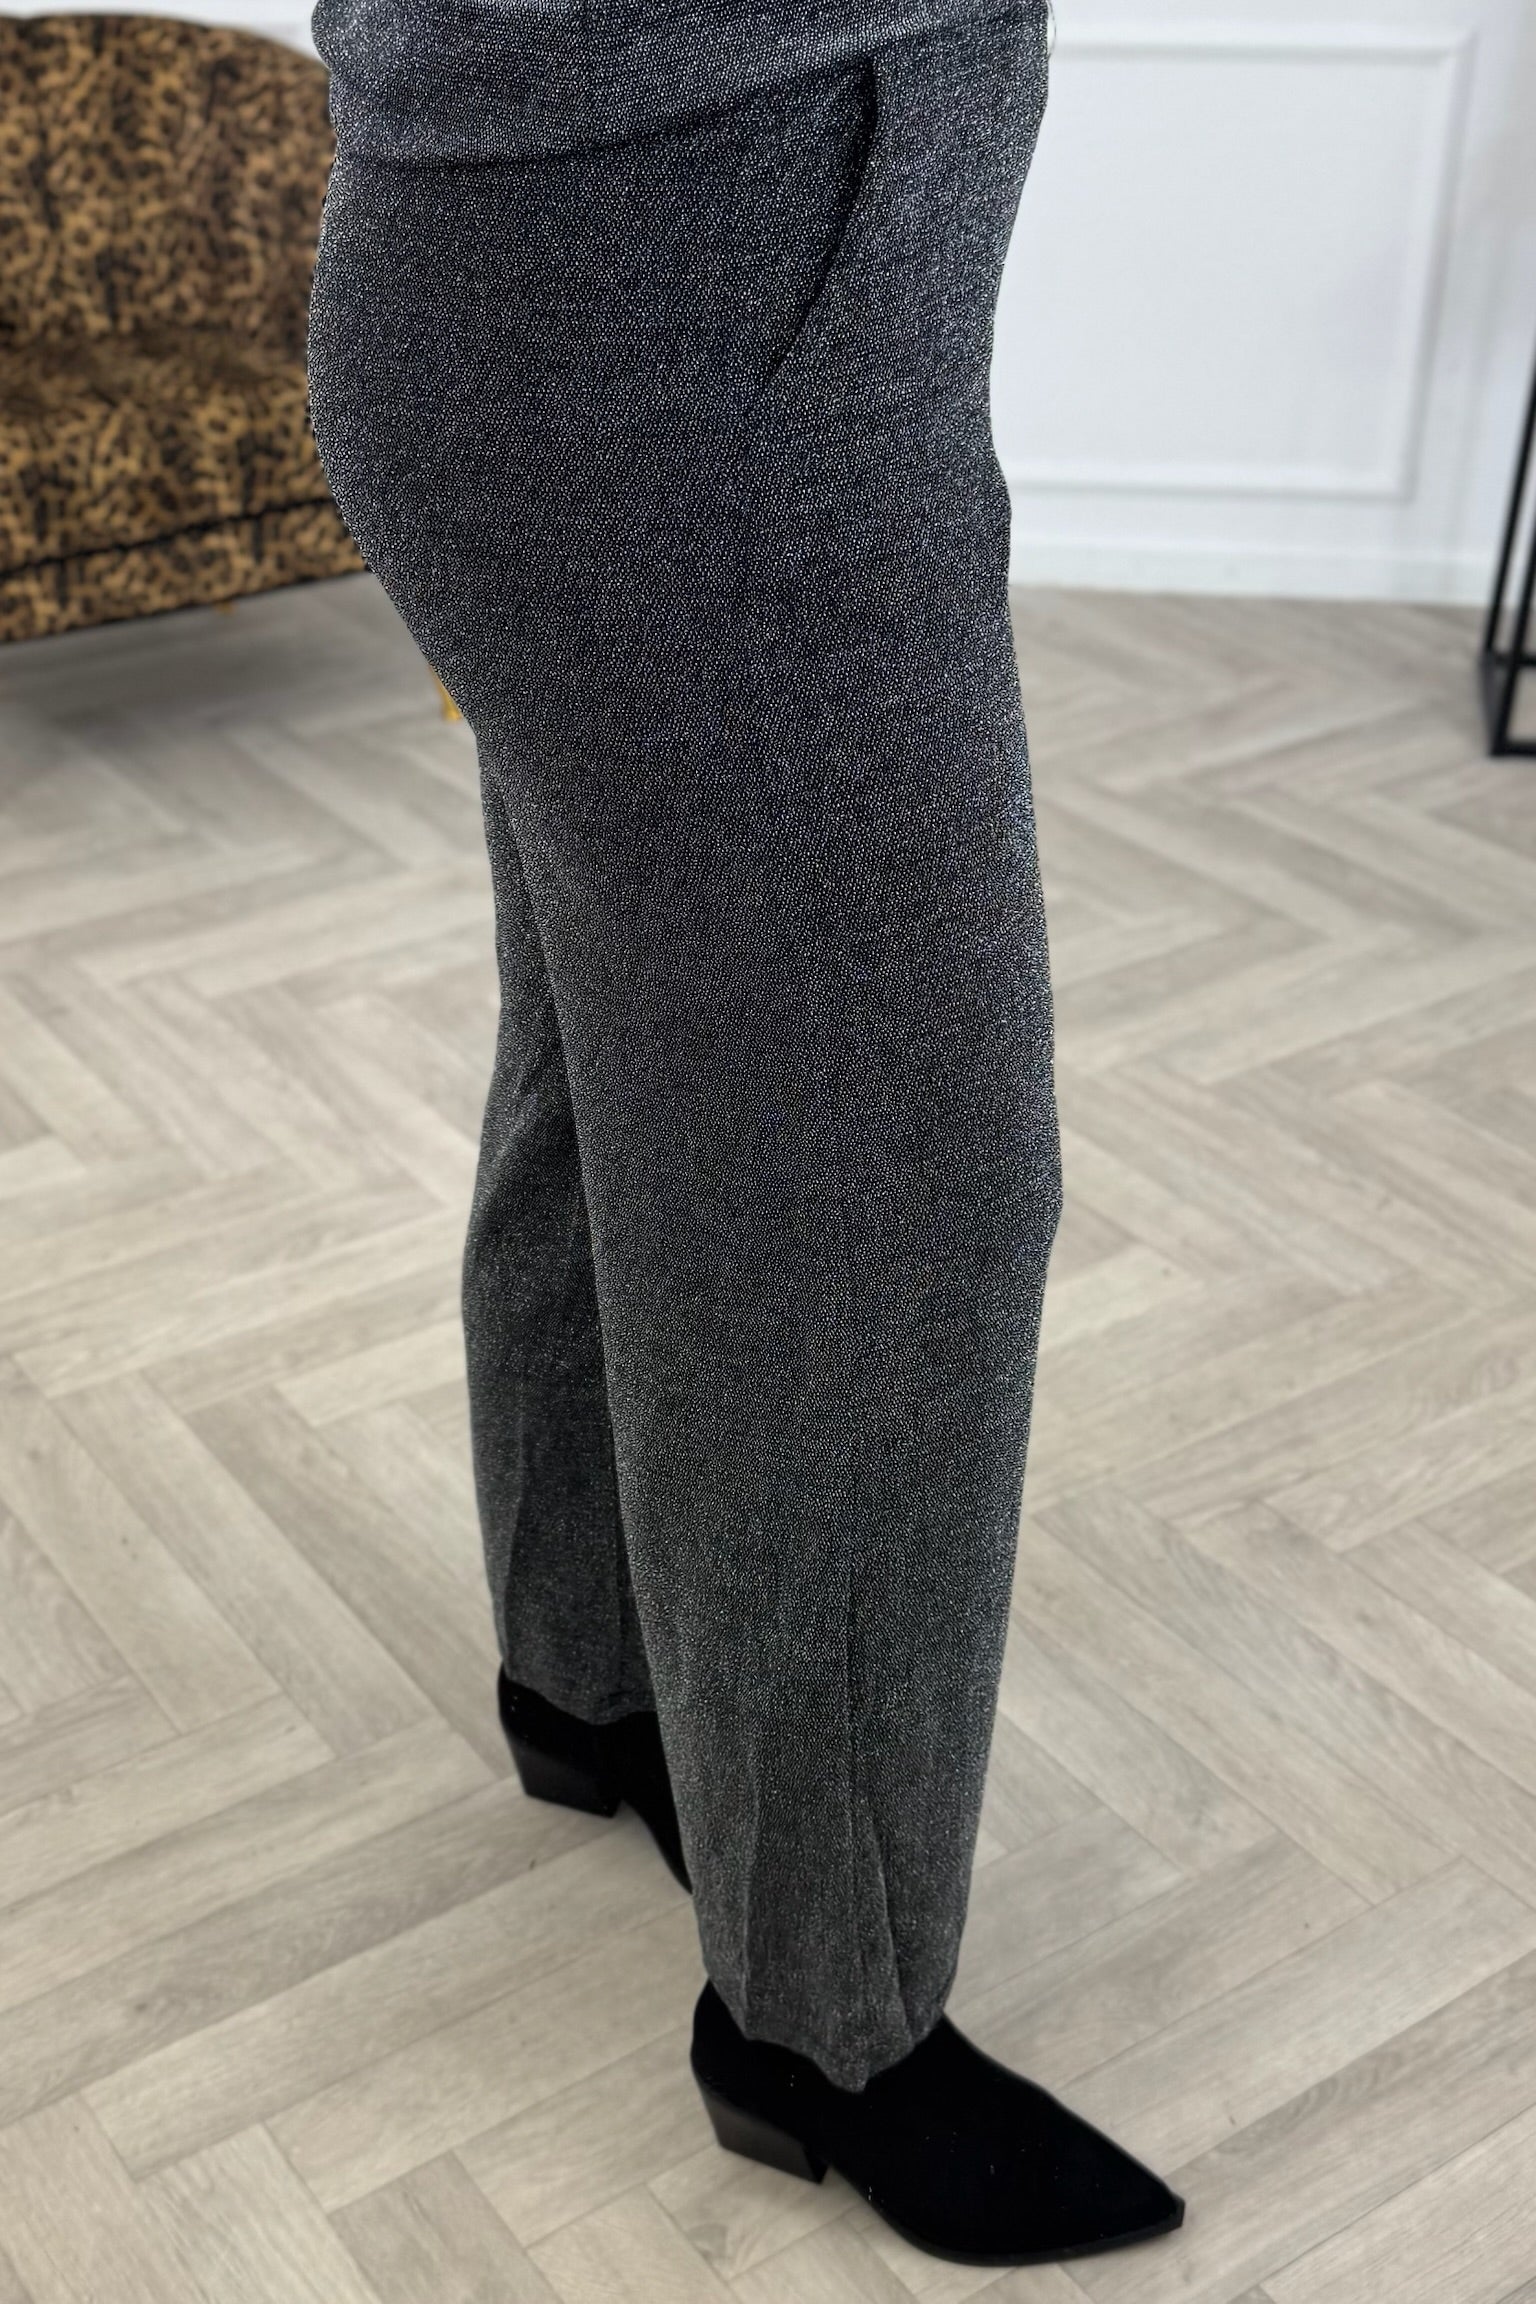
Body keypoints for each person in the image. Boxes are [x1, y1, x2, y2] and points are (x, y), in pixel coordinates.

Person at [304, 0, 1184, 2265]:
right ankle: (827, 2017)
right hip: (692, 385)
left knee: (629, 1054)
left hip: (603, 323)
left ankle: (588, 1678)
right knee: (893, 1195)